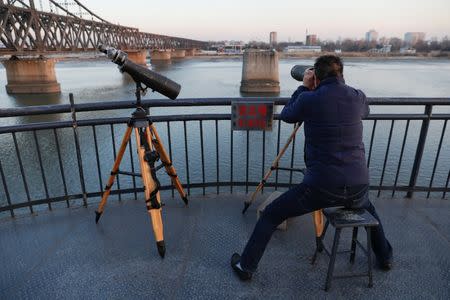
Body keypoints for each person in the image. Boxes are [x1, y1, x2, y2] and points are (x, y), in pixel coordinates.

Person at [231, 55, 393, 281]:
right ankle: (385, 257)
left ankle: (245, 266)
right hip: (357, 184)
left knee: (270, 216)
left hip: (321, 187)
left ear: (316, 77)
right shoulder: (357, 96)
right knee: (369, 208)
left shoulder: (310, 99)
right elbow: (365, 111)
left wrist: (304, 87)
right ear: (341, 74)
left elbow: (287, 114)